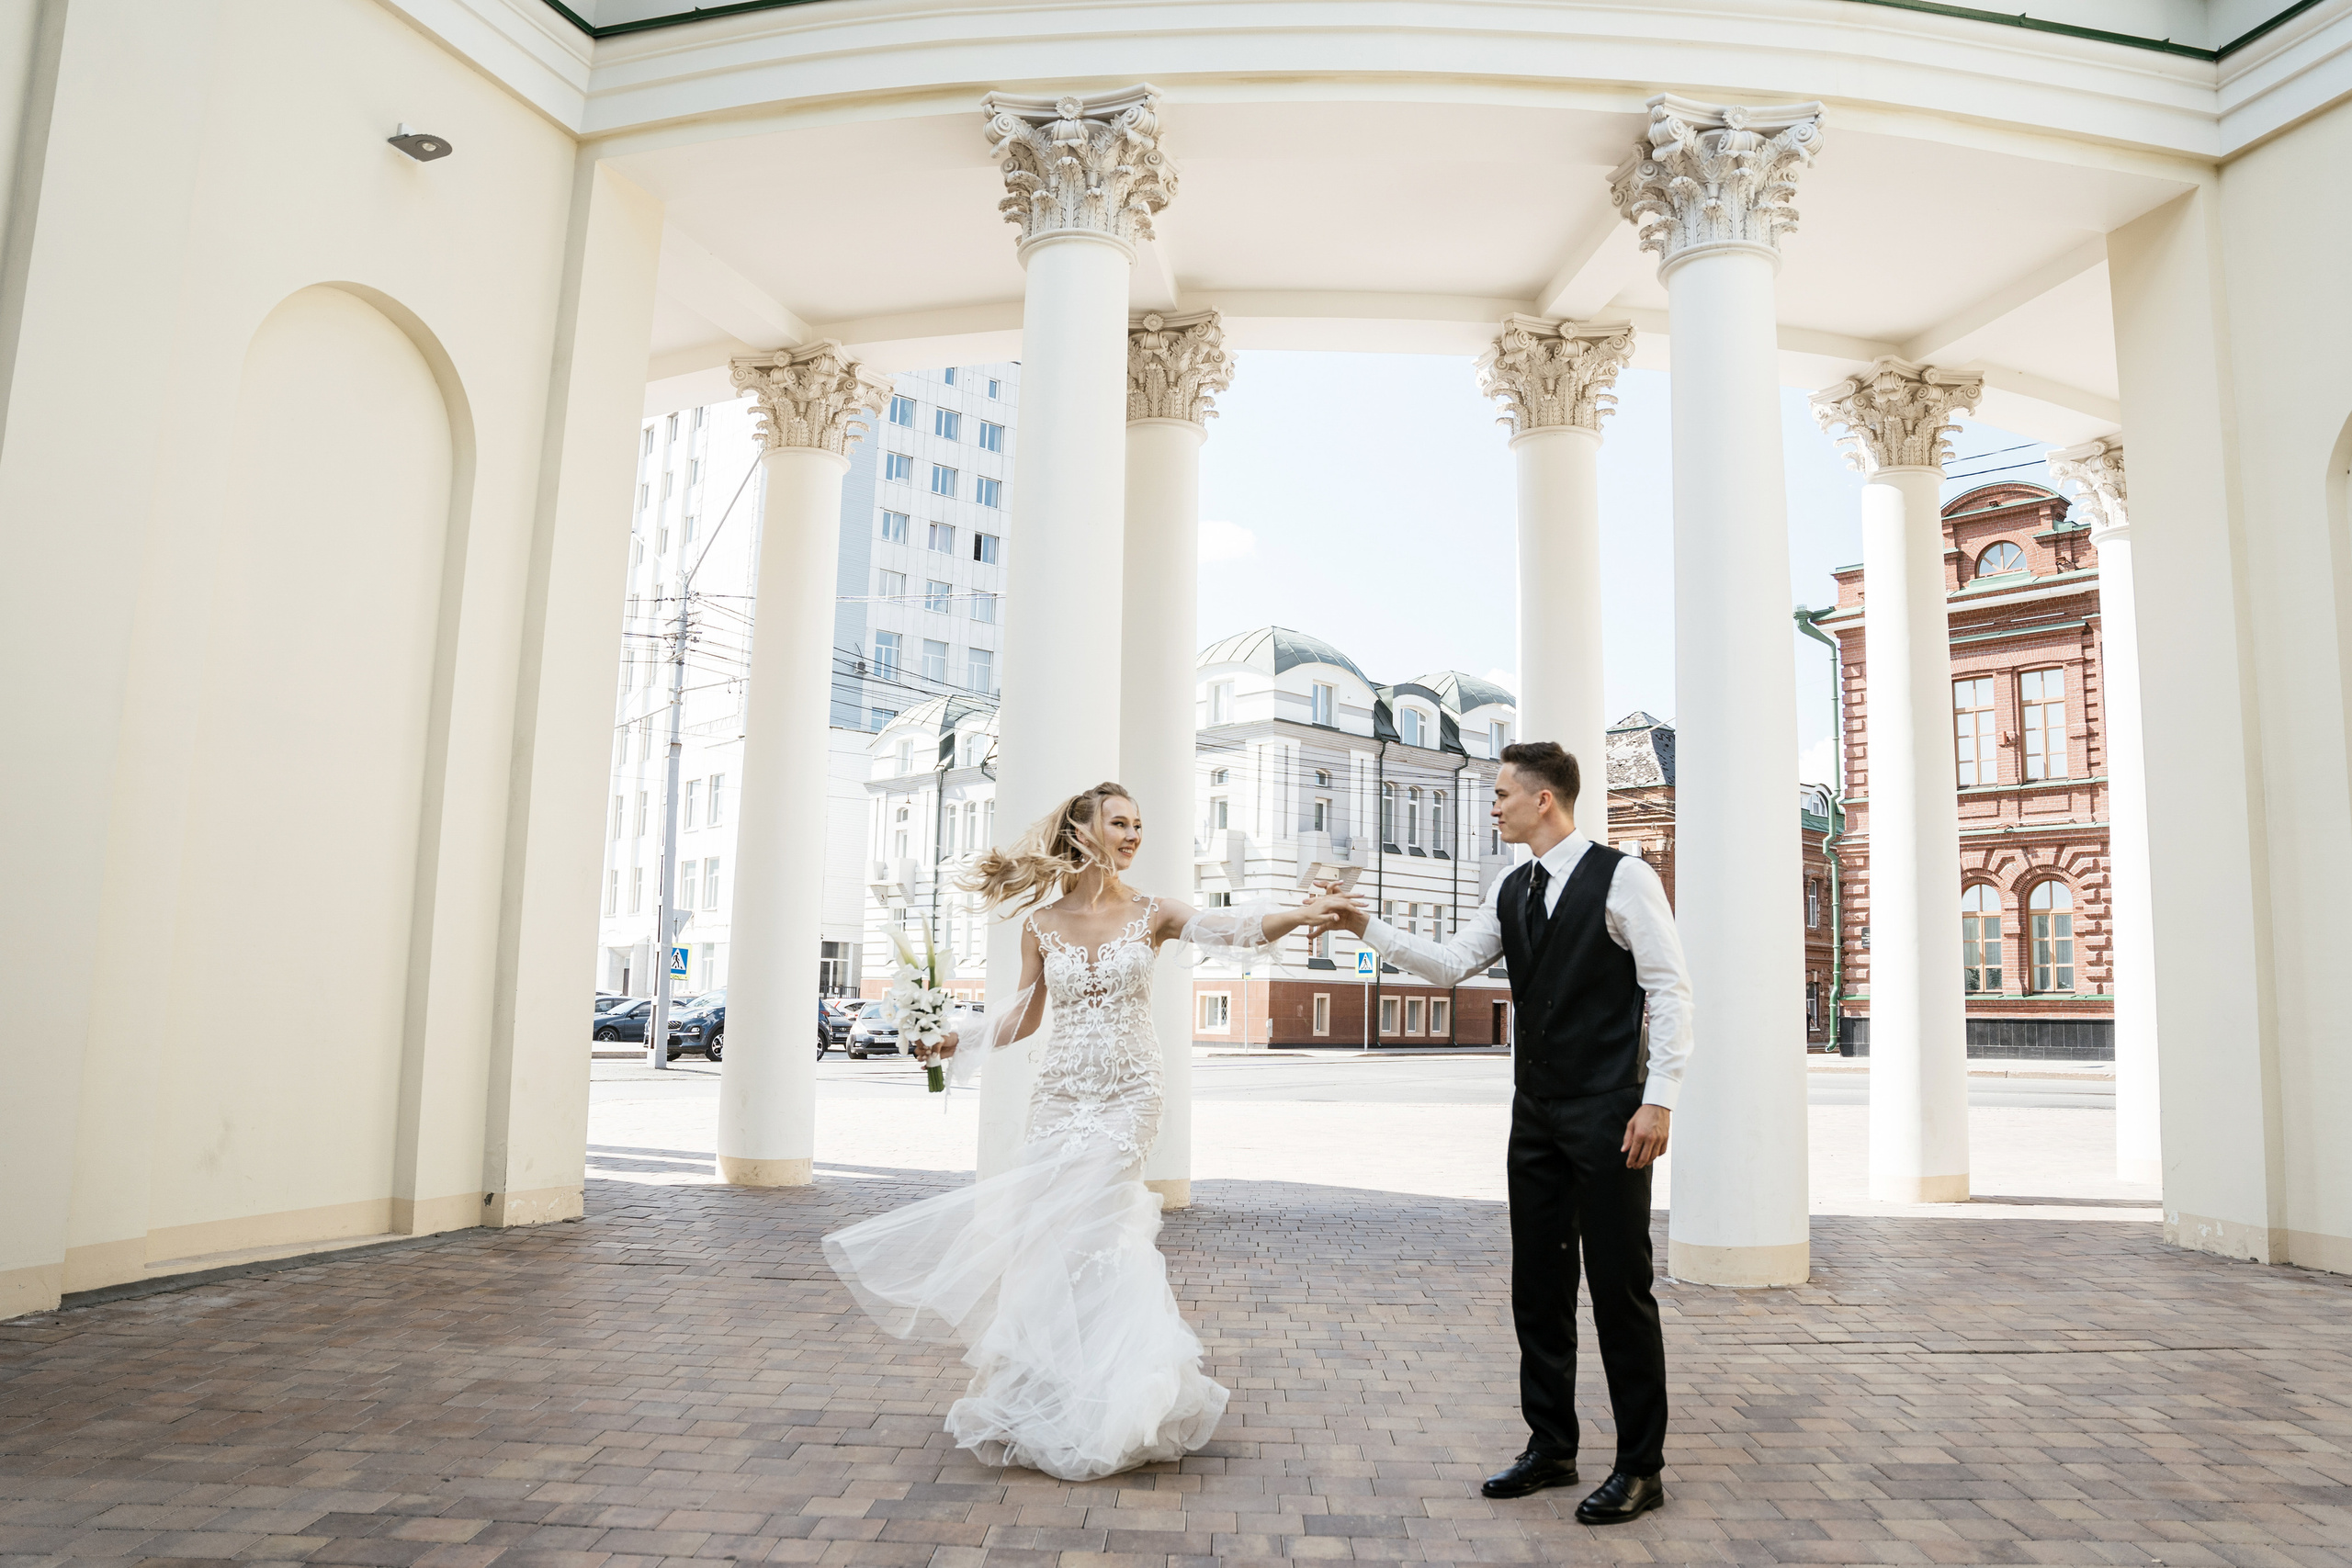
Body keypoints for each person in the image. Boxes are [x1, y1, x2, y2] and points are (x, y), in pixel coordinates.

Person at [821, 781, 1344, 1481]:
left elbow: (1232, 929)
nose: (1133, 834)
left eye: (1138, 823)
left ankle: (1115, 1399)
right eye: (1120, 822)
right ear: (1083, 829)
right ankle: (1049, 1389)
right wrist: (958, 1038)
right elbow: (1025, 1015)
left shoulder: (1153, 912)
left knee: (1094, 1228)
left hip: (1128, 1093)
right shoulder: (1040, 924)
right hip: (1060, 1094)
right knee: (1048, 1235)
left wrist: (1306, 911)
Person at [1318, 740, 1690, 1524]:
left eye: (1501, 794)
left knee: (1620, 1288)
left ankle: (1640, 1466)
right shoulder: (1511, 885)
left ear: (1544, 799)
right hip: (1536, 1112)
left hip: (1609, 1111)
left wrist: (1658, 1100)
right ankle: (1551, 1447)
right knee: (1539, 1286)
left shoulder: (1624, 876)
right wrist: (1367, 926)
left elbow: (1670, 988)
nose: (1492, 806)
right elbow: (1453, 964)